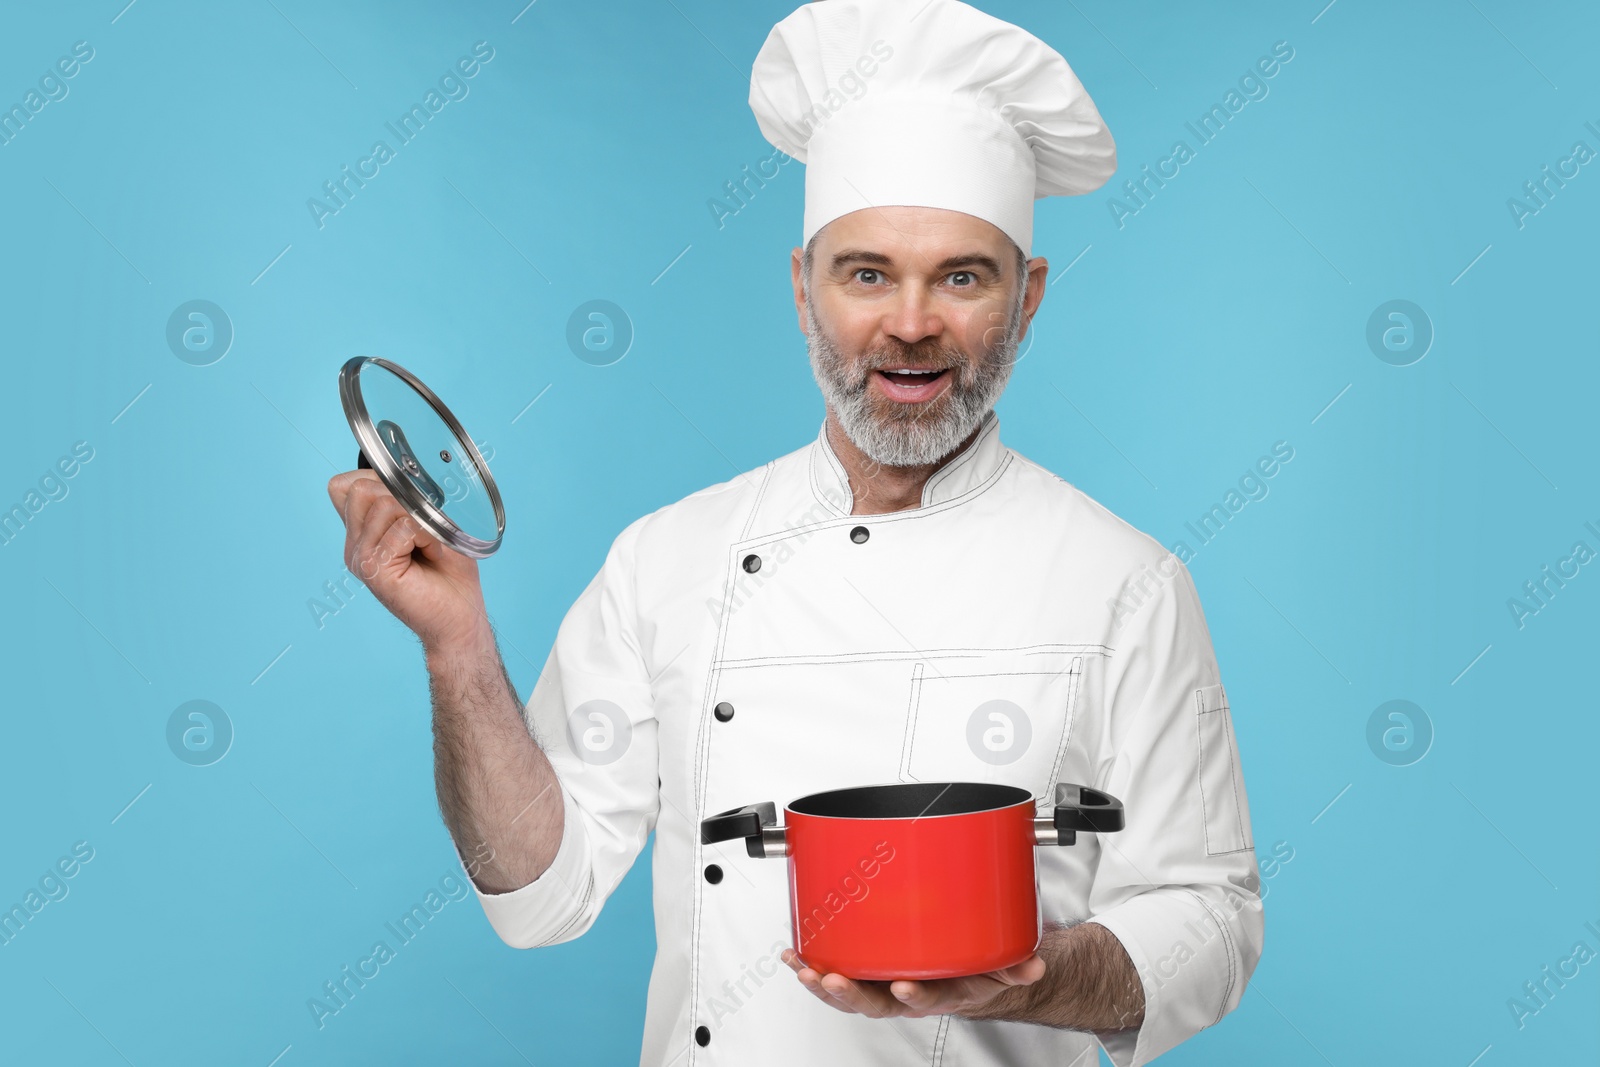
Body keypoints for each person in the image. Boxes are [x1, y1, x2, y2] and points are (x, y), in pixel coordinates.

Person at [326, 1, 1263, 1063]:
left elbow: (1211, 914)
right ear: (801, 288)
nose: (909, 323)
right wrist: (456, 643)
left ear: (1029, 296)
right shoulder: (665, 557)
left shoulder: (1125, 582)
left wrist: (1038, 974)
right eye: (865, 272)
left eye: (962, 275)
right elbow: (536, 895)